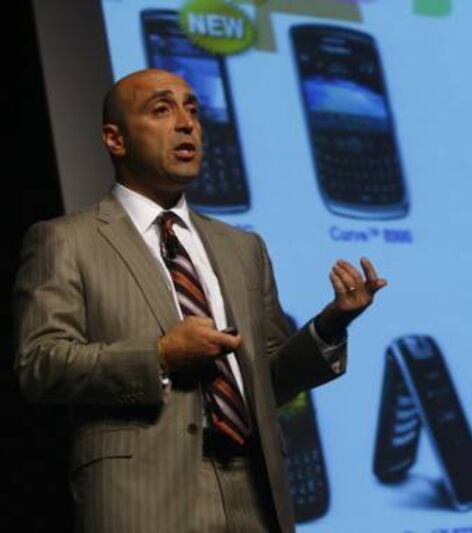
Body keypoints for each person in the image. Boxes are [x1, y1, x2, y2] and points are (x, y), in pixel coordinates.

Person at [12, 68, 387, 532]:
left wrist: (329, 327)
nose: (186, 123)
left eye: (192, 109)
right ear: (115, 139)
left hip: (253, 489)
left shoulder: (242, 247)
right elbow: (40, 364)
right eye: (161, 110)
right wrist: (160, 357)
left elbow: (267, 380)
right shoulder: (66, 240)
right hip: (143, 496)